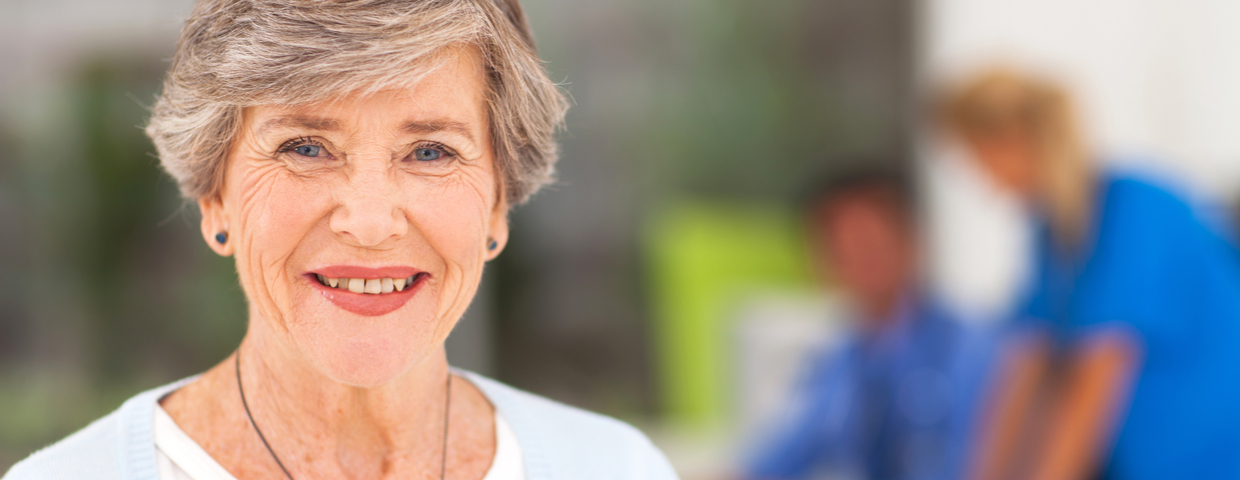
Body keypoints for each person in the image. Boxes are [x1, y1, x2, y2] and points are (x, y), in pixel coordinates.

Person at [3, 1, 678, 479]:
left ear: (499, 202)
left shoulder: (616, 467)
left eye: (431, 152)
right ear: (215, 194)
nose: (370, 221)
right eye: (306, 147)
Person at [941, 68, 1240, 480]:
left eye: (976, 156)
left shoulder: (1135, 209)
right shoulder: (1054, 233)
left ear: (1010, 140)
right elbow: (1025, 366)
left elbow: (1098, 377)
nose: (979, 178)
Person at [745, 166, 995, 480]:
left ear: (912, 240)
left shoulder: (973, 350)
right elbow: (771, 462)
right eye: (843, 247)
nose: (860, 259)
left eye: (872, 241)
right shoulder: (837, 368)